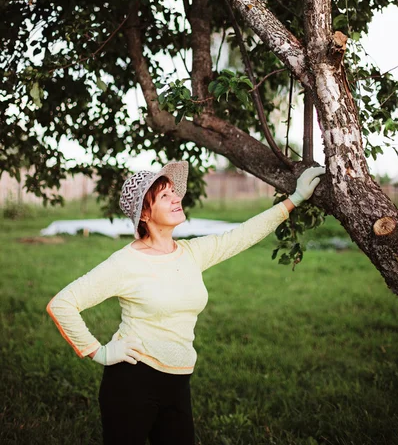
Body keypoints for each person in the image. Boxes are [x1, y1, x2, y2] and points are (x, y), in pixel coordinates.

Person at [47, 160, 325, 445]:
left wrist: (295, 200)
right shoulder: (126, 262)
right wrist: (99, 352)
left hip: (178, 384)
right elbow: (63, 304)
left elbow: (243, 235)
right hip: (132, 383)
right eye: (164, 196)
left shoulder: (192, 253)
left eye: (174, 192)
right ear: (144, 213)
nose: (176, 198)